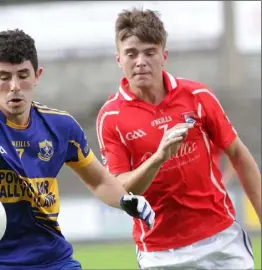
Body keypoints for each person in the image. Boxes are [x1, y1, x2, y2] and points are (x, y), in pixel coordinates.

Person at [0, 29, 183, 270]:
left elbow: (99, 180)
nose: (15, 87)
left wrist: (124, 200)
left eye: (23, 75)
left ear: (37, 75)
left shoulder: (61, 127)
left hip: (52, 259)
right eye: (4, 77)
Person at [96, 7, 261, 270]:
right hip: (161, 254)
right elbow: (121, 189)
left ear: (164, 55)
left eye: (150, 52)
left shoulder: (197, 96)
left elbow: (239, 155)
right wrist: (159, 157)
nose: (140, 61)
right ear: (119, 59)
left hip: (221, 240)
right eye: (131, 54)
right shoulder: (111, 117)